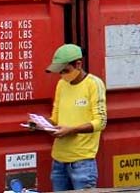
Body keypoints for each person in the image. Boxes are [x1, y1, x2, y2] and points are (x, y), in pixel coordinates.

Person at [43, 43, 107, 191]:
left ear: (78, 64)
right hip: (58, 161)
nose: (62, 75)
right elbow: (55, 118)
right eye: (60, 72)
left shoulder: (94, 84)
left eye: (65, 71)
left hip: (82, 163)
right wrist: (42, 124)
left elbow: (101, 122)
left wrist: (71, 130)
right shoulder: (61, 85)